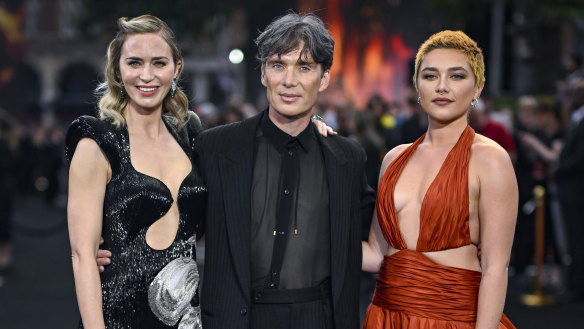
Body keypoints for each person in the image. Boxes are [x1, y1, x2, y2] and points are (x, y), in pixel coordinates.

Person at [192, 12, 374, 329]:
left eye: (304, 67)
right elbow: (177, 227)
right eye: (278, 65)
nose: (289, 81)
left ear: (325, 78)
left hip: (321, 319)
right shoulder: (215, 148)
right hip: (236, 319)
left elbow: (377, 238)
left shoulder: (347, 158)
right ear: (263, 73)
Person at [361, 30, 517, 328]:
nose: (442, 87)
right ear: (417, 87)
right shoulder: (393, 159)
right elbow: (376, 255)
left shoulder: (491, 160)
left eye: (457, 76)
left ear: (478, 89)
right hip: (383, 317)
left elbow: (496, 268)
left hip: (451, 321)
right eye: (430, 76)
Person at [66, 15, 207, 328]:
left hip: (186, 318)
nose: (147, 75)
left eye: (159, 62)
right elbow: (82, 256)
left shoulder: (190, 133)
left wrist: (312, 126)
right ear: (118, 70)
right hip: (118, 316)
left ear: (177, 68)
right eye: (134, 63)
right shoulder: (97, 143)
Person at [555, 81, 584, 302]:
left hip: (576, 191)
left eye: (572, 94)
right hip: (571, 190)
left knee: (577, 238)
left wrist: (556, 168)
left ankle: (577, 286)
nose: (568, 98)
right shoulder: (575, 121)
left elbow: (578, 159)